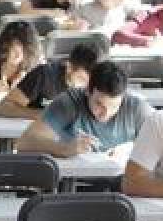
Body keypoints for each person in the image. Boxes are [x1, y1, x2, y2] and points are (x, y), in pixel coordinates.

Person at [16, 60, 152, 158]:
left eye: (114, 106)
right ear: (87, 91)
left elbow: (159, 149)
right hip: (74, 180)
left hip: (120, 180)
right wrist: (64, 149)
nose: (106, 113)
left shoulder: (138, 109)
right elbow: (24, 142)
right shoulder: (68, 103)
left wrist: (132, 150)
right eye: (99, 104)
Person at [0, 43, 96, 119]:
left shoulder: (93, 89)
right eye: (81, 79)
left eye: (89, 82)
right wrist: (44, 115)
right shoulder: (44, 75)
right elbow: (2, 108)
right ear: (69, 67)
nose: (85, 86)